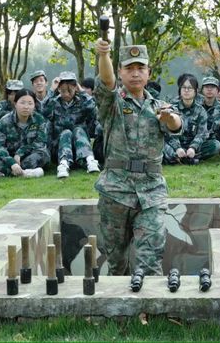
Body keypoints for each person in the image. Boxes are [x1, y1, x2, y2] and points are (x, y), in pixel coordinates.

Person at [94, 40, 182, 276]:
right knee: (116, 264)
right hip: (115, 191)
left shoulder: (160, 106)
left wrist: (169, 119)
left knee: (150, 261)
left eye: (140, 68)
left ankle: (150, 300)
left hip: (151, 192)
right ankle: (119, 301)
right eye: (129, 68)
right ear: (120, 72)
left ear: (148, 73)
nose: (135, 74)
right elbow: (107, 82)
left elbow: (176, 123)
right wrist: (103, 55)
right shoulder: (112, 102)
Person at [42, 71, 101, 178]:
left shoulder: (81, 102)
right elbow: (44, 111)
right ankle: (63, 165)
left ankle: (90, 160)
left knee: (78, 129)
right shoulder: (54, 102)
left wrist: (81, 91)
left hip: (80, 148)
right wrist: (51, 90)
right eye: (63, 91)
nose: (67, 94)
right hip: (59, 148)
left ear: (75, 88)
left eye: (70, 90)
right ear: (59, 89)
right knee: (66, 132)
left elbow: (92, 106)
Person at [0, 89, 50, 177]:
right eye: (22, 103)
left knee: (44, 154)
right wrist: (12, 162)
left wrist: (20, 153)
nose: (26, 107)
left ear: (34, 105)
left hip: (28, 155)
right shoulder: (4, 121)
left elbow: (40, 142)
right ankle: (25, 173)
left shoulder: (39, 120)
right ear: (15, 103)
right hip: (8, 155)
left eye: (30, 103)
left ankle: (3, 172)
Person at [163, 74, 220, 165]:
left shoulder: (200, 110)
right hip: (175, 144)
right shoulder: (172, 108)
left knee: (215, 145)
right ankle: (184, 158)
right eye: (184, 87)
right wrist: (178, 147)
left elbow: (202, 134)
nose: (186, 90)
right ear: (180, 90)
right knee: (161, 144)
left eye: (190, 88)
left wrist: (193, 147)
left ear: (195, 91)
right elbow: (168, 132)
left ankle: (180, 158)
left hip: (192, 145)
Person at [199, 76, 220, 143]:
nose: (209, 89)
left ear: (217, 90)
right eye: (207, 87)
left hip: (214, 140)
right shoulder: (196, 105)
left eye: (212, 87)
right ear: (202, 90)